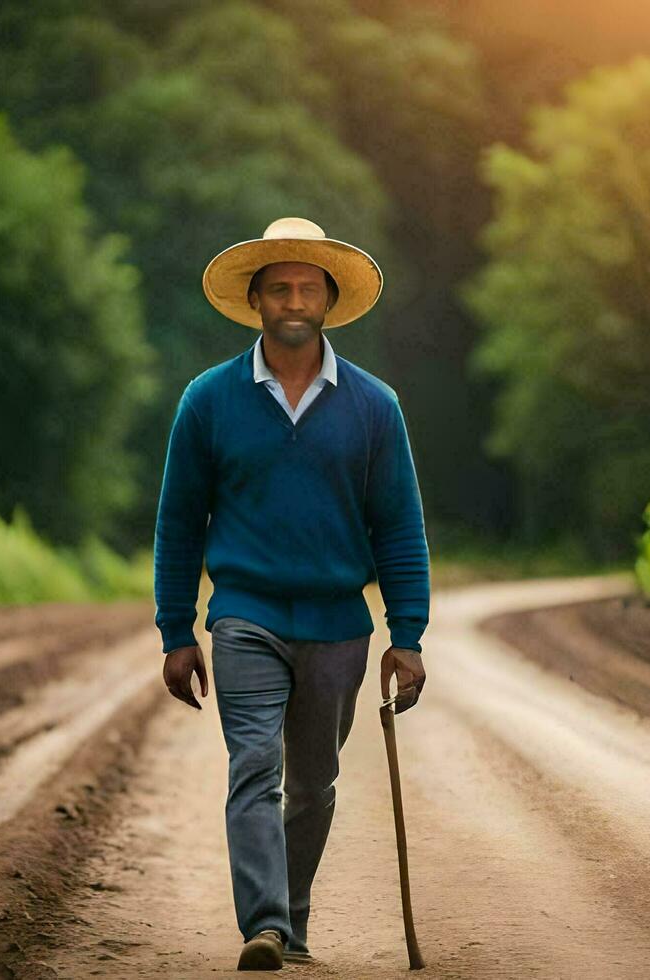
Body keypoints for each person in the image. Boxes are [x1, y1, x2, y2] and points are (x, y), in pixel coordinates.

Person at [153, 216, 430, 971]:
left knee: (314, 785)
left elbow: (399, 527)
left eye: (309, 287)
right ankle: (266, 925)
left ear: (330, 301)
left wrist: (408, 636)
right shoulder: (208, 401)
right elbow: (178, 524)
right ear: (257, 301)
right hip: (245, 616)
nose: (295, 299)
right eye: (280, 288)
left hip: (340, 624)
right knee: (254, 769)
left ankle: (292, 921)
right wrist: (176, 631)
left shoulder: (376, 407)